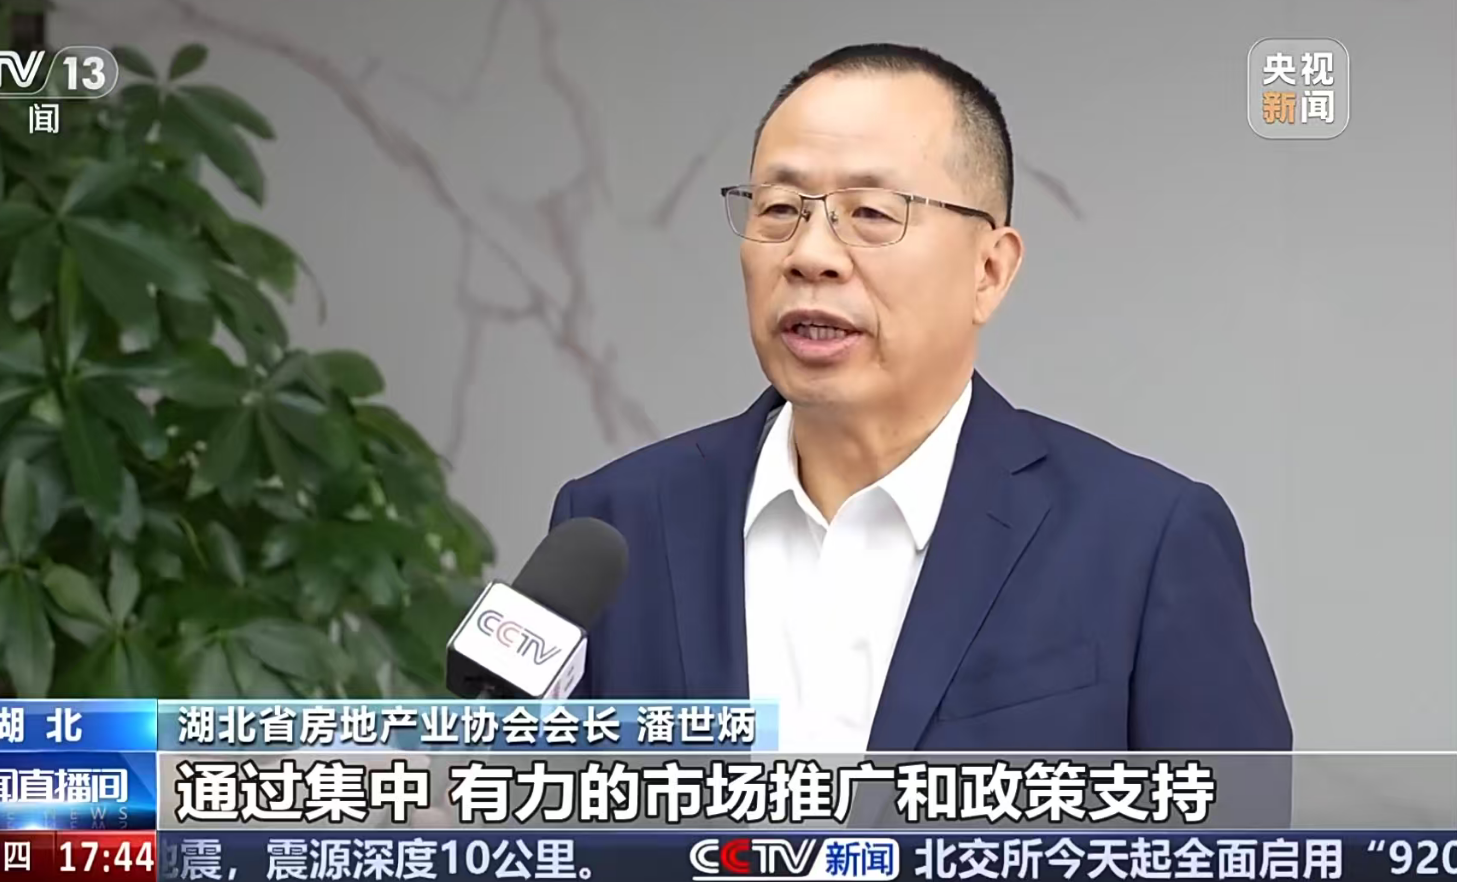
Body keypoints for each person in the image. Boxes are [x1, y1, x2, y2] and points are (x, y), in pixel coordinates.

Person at [548, 43, 1291, 752]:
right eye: (778, 210)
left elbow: (1238, 827)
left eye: (871, 213)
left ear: (989, 271)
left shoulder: (1142, 541)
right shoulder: (611, 528)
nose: (810, 255)